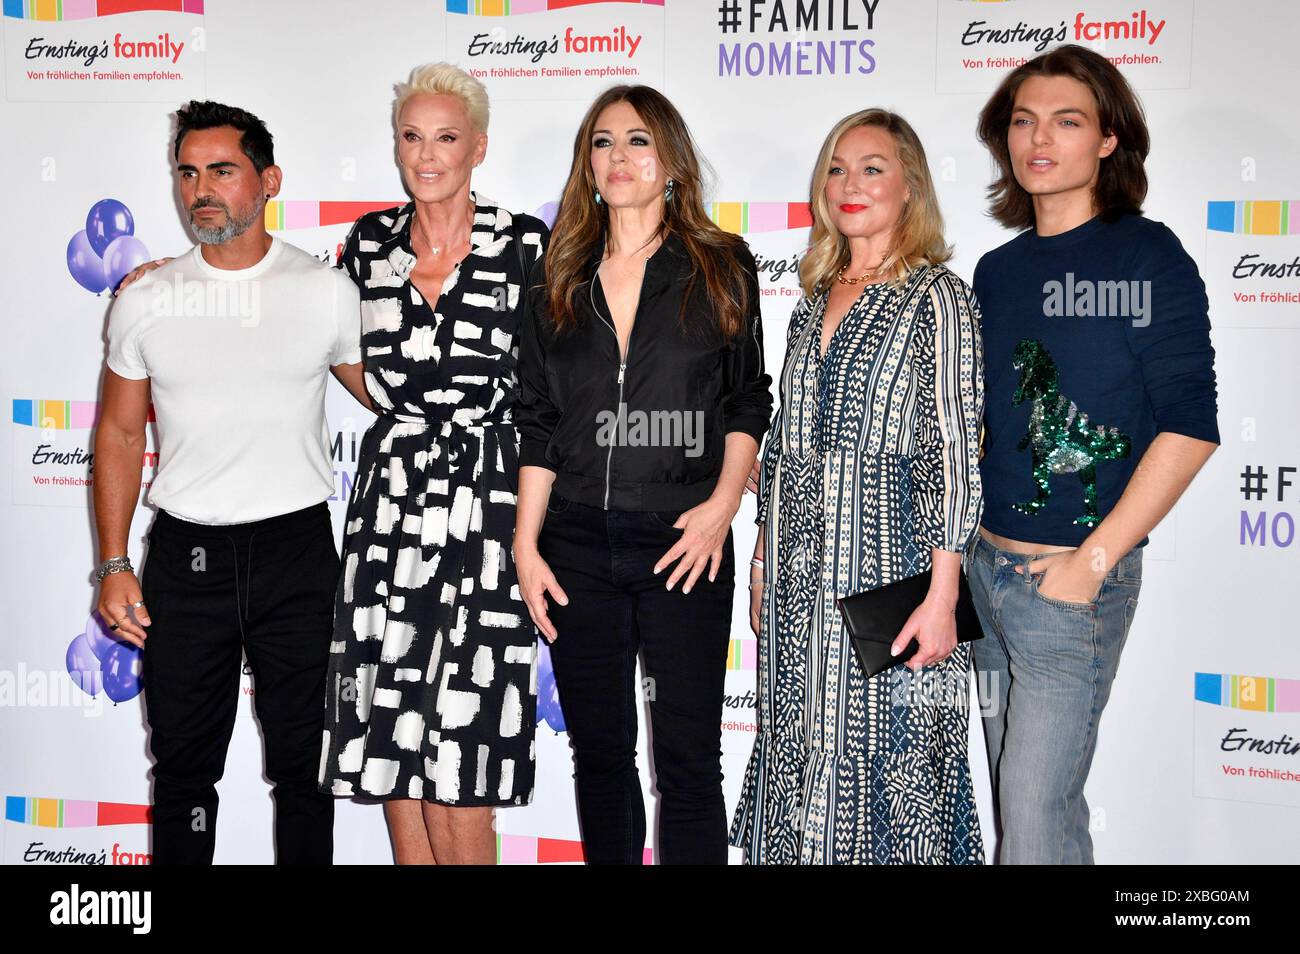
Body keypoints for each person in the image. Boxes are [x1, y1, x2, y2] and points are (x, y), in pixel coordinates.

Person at [93, 100, 366, 865]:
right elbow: (117, 433)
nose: (199, 190)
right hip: (186, 559)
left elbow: (397, 397)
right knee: (182, 774)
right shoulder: (144, 299)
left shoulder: (325, 291)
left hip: (297, 553)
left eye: (221, 170)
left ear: (267, 180)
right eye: (187, 172)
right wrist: (114, 564)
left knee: (308, 775)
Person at [969, 44, 1219, 864]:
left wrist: (1094, 561)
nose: (1040, 139)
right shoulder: (997, 271)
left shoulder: (1148, 256)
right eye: (1024, 121)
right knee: (1038, 822)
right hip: (988, 574)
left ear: (1109, 140)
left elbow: (1189, 425)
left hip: (1069, 585)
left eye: (1067, 122)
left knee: (1034, 827)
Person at [513, 85, 772, 865]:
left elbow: (746, 398)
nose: (618, 157)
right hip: (574, 546)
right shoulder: (555, 271)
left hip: (682, 538)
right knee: (600, 757)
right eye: (602, 142)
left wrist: (722, 508)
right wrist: (527, 546)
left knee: (690, 765)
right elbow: (537, 419)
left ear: (670, 162)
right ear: (586, 165)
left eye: (637, 141)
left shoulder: (721, 263)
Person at [730, 108, 986, 865]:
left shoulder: (939, 296)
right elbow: (785, 451)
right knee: (797, 754)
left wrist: (943, 597)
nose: (851, 183)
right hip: (800, 588)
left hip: (896, 580)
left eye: (872, 167)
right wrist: (763, 561)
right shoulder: (812, 300)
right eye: (837, 168)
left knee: (898, 774)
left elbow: (953, 450)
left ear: (910, 186)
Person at [316, 63, 548, 865]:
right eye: (411, 137)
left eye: (445, 137)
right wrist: (394, 403)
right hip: (391, 505)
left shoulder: (525, 244)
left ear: (478, 147)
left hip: (489, 503)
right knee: (394, 734)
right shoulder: (368, 243)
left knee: (467, 746)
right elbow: (336, 346)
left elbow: (555, 379)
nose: (426, 155)